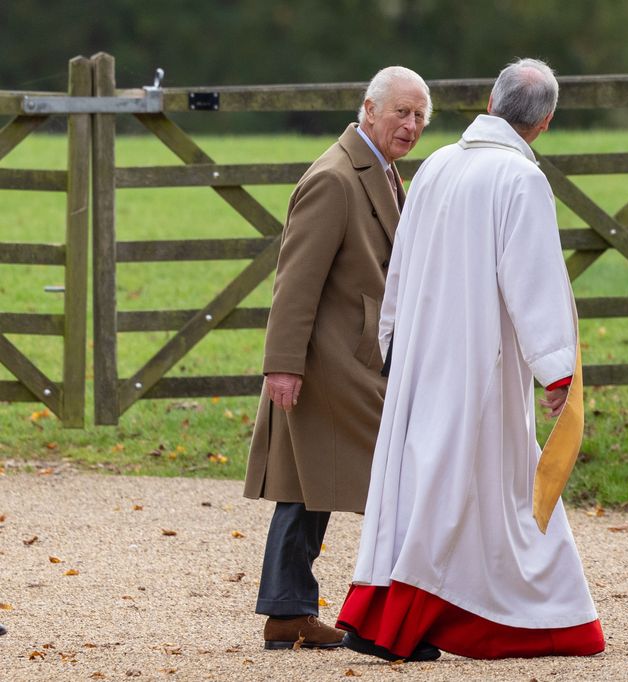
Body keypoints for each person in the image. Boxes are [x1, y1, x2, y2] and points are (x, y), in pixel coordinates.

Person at [336, 58, 605, 661]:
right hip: (479, 361)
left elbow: (398, 266)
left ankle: (381, 610)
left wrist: (392, 340)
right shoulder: (520, 180)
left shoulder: (435, 166)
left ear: (490, 101)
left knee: (427, 482)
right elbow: (533, 282)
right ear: (545, 124)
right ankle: (435, 621)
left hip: (419, 354)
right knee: (478, 488)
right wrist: (557, 370)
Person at [243, 66, 432, 651]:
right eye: (402, 111)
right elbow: (295, 282)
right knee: (402, 474)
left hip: (356, 355)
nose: (412, 125)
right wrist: (283, 365)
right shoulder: (334, 178)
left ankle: (287, 612)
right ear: (369, 110)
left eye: (421, 116)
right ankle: (392, 618)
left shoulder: (382, 170)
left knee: (306, 481)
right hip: (331, 364)